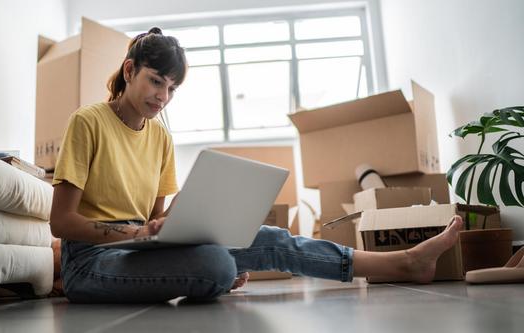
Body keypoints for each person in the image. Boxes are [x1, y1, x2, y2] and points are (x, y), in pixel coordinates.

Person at [49, 27, 464, 304]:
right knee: (215, 265)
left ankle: (405, 262)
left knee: (269, 239)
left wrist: (169, 227)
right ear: (129, 71)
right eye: (156, 81)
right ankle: (209, 274)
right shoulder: (88, 122)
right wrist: (141, 232)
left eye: (172, 88)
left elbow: (156, 220)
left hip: (137, 250)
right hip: (89, 262)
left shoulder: (160, 138)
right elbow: (61, 223)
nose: (163, 97)